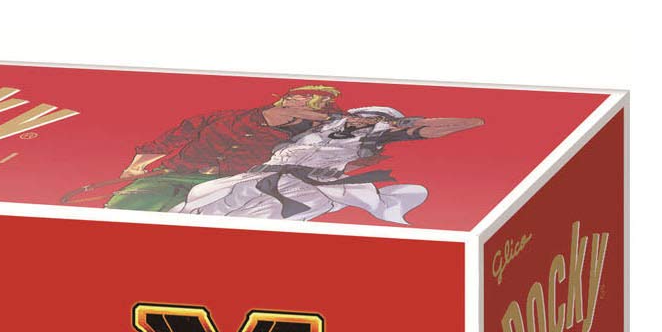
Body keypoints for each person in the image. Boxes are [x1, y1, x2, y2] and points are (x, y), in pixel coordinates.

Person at [178, 107, 483, 224]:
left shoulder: (376, 135)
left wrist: (401, 124)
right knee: (206, 207)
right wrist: (329, 117)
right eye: (360, 115)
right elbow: (281, 112)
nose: (362, 121)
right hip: (259, 175)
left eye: (373, 118)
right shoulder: (317, 125)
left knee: (265, 219)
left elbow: (433, 129)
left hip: (307, 184)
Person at [90, 85, 344, 211]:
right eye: (297, 96)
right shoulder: (225, 117)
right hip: (174, 175)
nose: (299, 100)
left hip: (233, 184)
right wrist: (136, 166)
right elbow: (172, 138)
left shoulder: (310, 134)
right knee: (126, 204)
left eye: (310, 100)